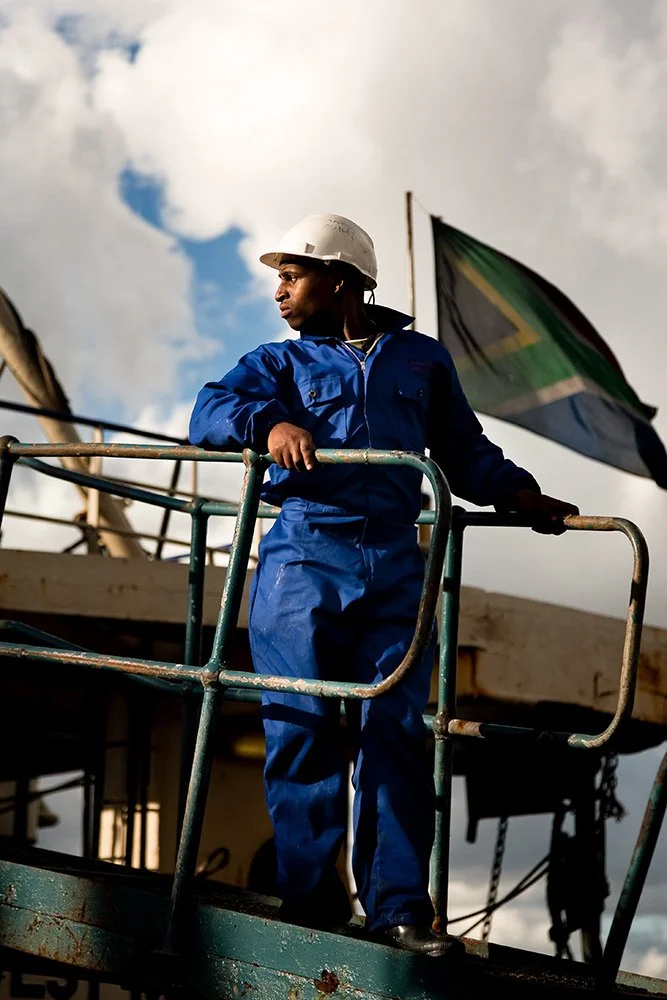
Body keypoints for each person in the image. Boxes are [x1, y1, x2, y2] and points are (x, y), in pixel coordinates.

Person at [189, 213, 578, 957]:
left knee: (395, 735)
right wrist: (270, 426)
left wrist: (520, 495)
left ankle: (398, 910)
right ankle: (311, 900)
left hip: (396, 567)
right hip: (302, 563)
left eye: (292, 275)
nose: (279, 291)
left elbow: (464, 449)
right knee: (301, 729)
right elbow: (209, 410)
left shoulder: (421, 360)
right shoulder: (278, 363)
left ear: (340, 281)